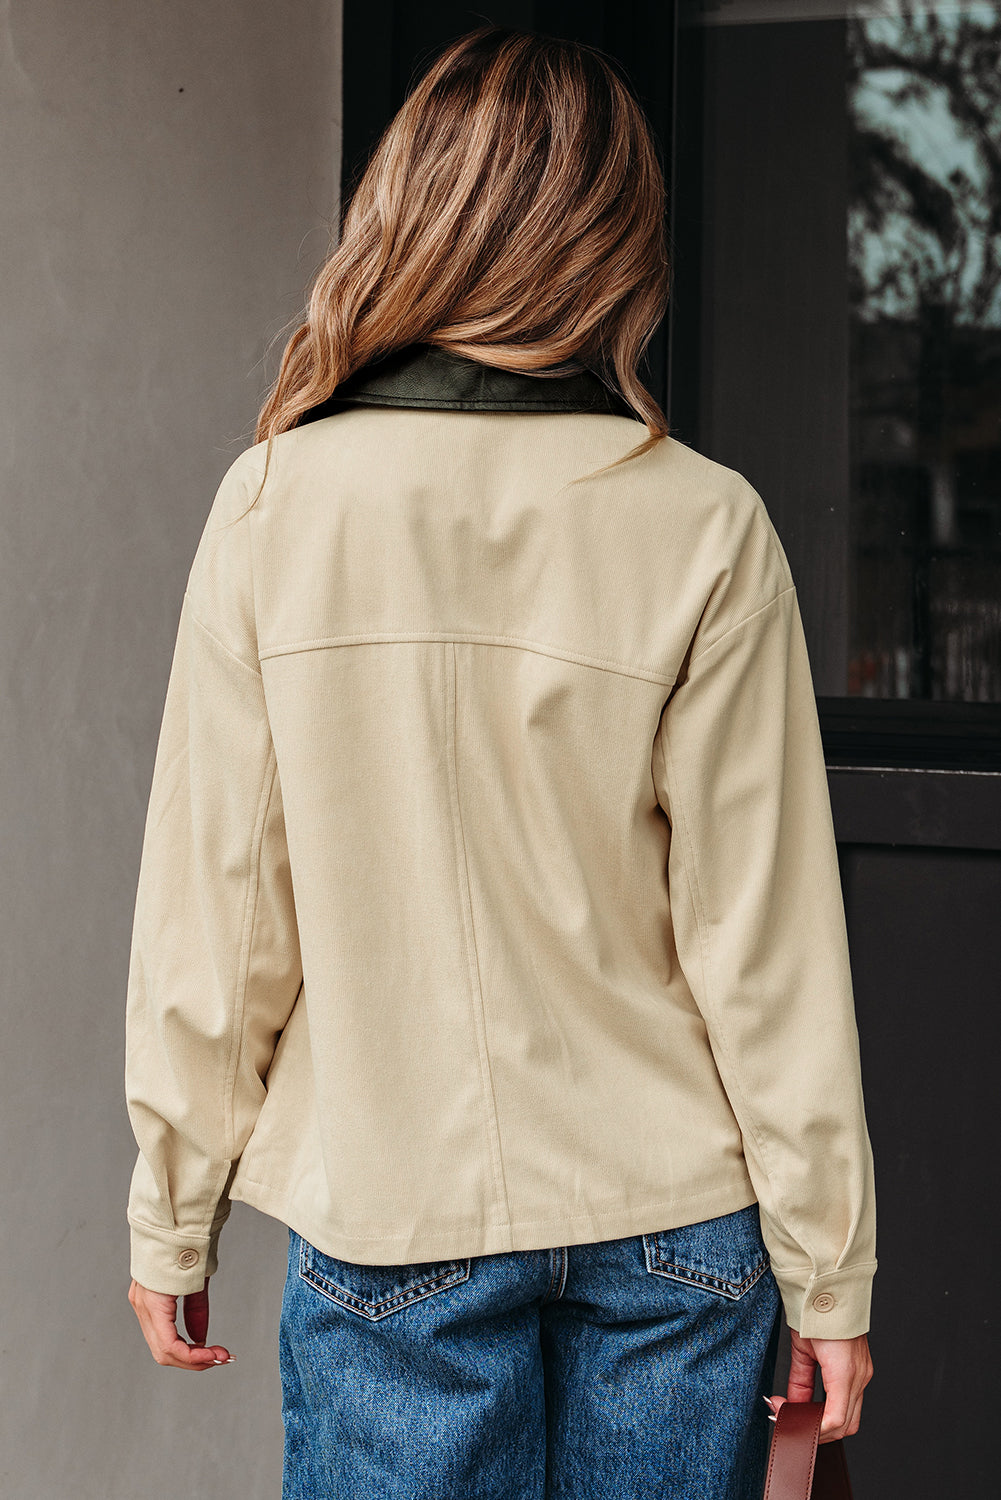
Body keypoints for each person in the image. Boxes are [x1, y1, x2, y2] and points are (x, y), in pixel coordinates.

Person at [125, 24, 875, 1500]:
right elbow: (765, 948)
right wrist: (827, 1269)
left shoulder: (273, 505)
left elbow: (222, 910)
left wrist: (173, 1209)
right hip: (675, 1225)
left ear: (406, 217)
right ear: (618, 243)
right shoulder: (704, 522)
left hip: (393, 1211)